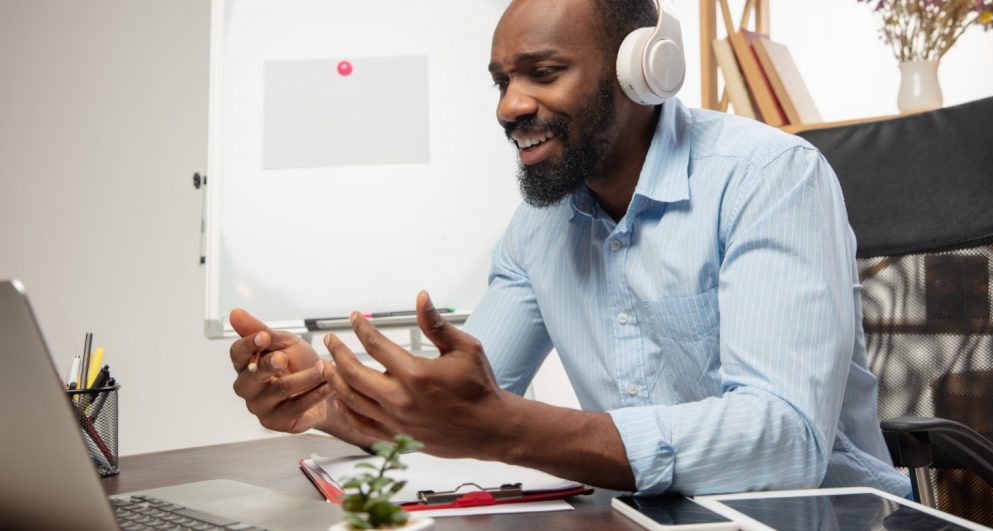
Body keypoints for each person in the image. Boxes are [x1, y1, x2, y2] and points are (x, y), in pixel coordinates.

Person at [228, 0, 911, 496]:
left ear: (645, 74)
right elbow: (461, 409)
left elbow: (783, 438)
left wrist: (511, 430)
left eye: (543, 73)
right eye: (502, 80)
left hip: (826, 515)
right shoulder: (538, 228)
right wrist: (325, 401)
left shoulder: (769, 178)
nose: (508, 106)